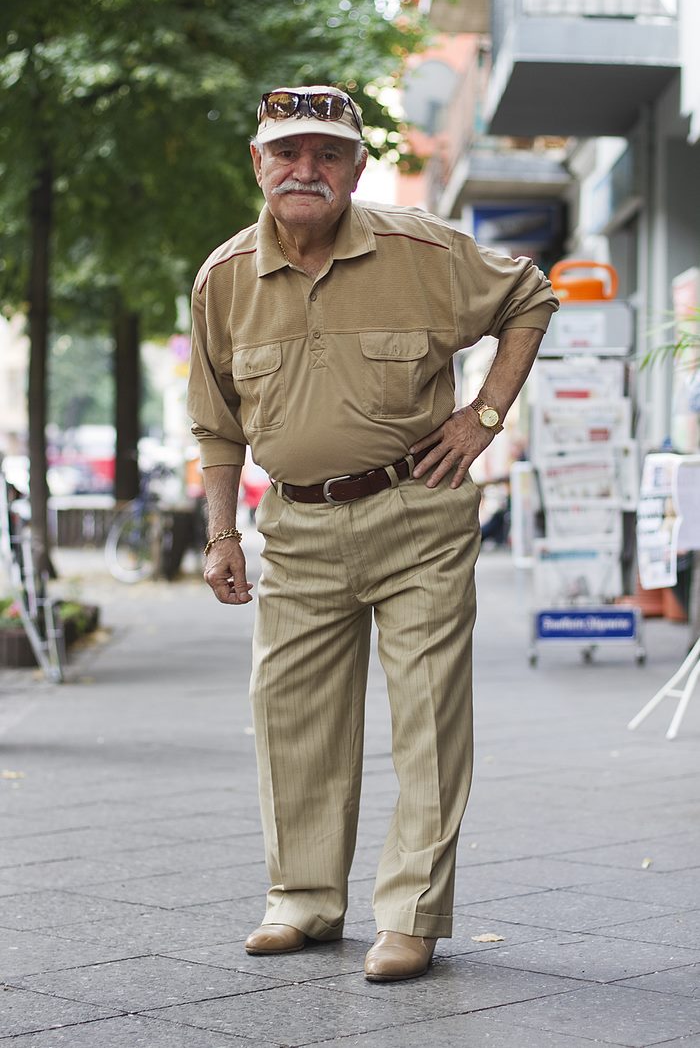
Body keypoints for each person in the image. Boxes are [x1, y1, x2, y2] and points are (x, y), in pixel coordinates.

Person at [187, 85, 558, 982]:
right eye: (287, 153)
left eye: (326, 154)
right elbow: (216, 422)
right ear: (259, 163)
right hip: (299, 527)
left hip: (417, 515)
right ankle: (304, 901)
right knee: (292, 720)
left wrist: (484, 416)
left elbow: (530, 295)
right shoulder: (224, 278)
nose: (304, 169)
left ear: (356, 167)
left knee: (429, 719)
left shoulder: (423, 250)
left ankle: (413, 915)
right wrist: (222, 535)